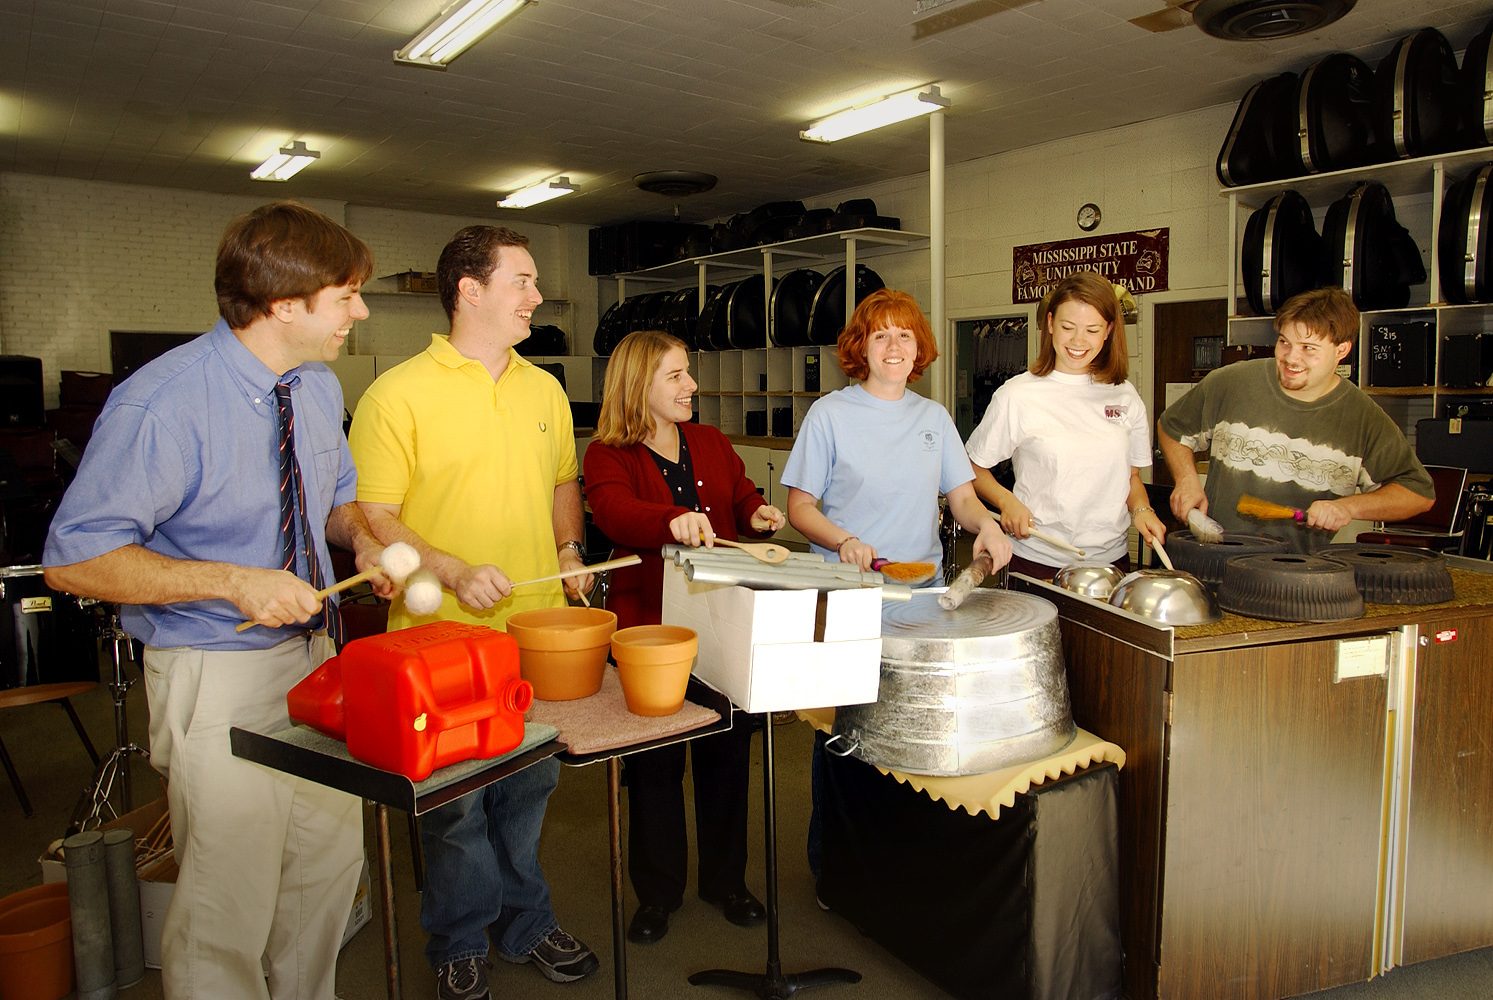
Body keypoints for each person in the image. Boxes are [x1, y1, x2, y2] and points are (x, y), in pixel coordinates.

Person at [43, 201, 392, 1000]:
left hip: (315, 661)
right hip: (215, 671)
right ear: (284, 304)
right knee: (227, 898)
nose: (360, 311)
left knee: (326, 872)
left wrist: (363, 541)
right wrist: (233, 580)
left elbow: (337, 498)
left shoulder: (311, 384)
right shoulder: (161, 402)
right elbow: (76, 558)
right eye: (345, 295)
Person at [347, 224, 598, 999]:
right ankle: (456, 942)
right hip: (435, 643)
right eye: (521, 282)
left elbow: (563, 482)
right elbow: (374, 516)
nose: (535, 296)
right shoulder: (397, 394)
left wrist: (566, 549)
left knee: (526, 795)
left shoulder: (544, 387)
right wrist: (452, 571)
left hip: (535, 631)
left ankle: (525, 923)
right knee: (454, 812)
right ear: (469, 290)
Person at [780, 287, 1011, 880]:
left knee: (911, 727)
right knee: (845, 731)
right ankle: (833, 864)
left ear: (919, 349)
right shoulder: (830, 414)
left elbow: (962, 498)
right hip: (850, 596)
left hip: (922, 596)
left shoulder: (933, 418)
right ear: (861, 346)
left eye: (904, 335)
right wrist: (842, 540)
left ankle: (897, 865)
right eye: (880, 334)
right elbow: (799, 507)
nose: (893, 346)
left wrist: (987, 526)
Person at [583, 329, 786, 945]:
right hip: (651, 634)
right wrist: (674, 519)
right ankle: (657, 893)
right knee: (654, 766)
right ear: (638, 383)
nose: (690, 385)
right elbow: (615, 513)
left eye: (688, 372)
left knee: (727, 759)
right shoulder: (607, 454)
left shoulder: (710, 441)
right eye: (676, 375)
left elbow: (739, 492)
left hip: (723, 628)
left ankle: (727, 882)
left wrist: (756, 512)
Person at [1158, 286, 1434, 552]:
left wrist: (1347, 507)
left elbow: (1417, 493)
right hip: (1216, 562)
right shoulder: (1232, 382)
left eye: (1308, 348)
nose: (1291, 358)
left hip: (1296, 578)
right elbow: (1173, 428)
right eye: (1284, 342)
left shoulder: (1364, 418)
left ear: (1342, 350)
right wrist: (1186, 480)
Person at [966, 272, 1163, 579]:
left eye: (1092, 330)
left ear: (1109, 331)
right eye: (1067, 327)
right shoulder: (1018, 395)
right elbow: (972, 467)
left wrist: (1142, 510)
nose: (1078, 341)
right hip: (1037, 560)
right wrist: (1008, 502)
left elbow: (1131, 477)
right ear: (1050, 323)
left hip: (1111, 564)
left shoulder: (1124, 395)